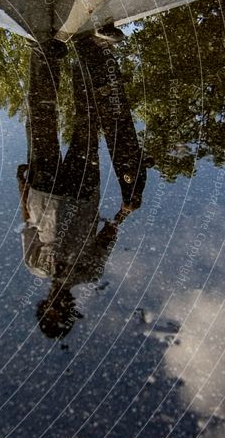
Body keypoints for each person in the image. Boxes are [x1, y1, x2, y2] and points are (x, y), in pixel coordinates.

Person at [19, 31, 148, 338]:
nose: (58, 304)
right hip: (82, 194)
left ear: (44, 304)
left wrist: (20, 184)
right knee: (88, 125)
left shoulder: (35, 265)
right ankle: (88, 55)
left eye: (51, 308)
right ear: (70, 308)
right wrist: (123, 211)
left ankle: (44, 55)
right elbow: (106, 237)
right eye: (63, 311)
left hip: (43, 193)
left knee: (42, 123)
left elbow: (26, 221)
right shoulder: (89, 272)